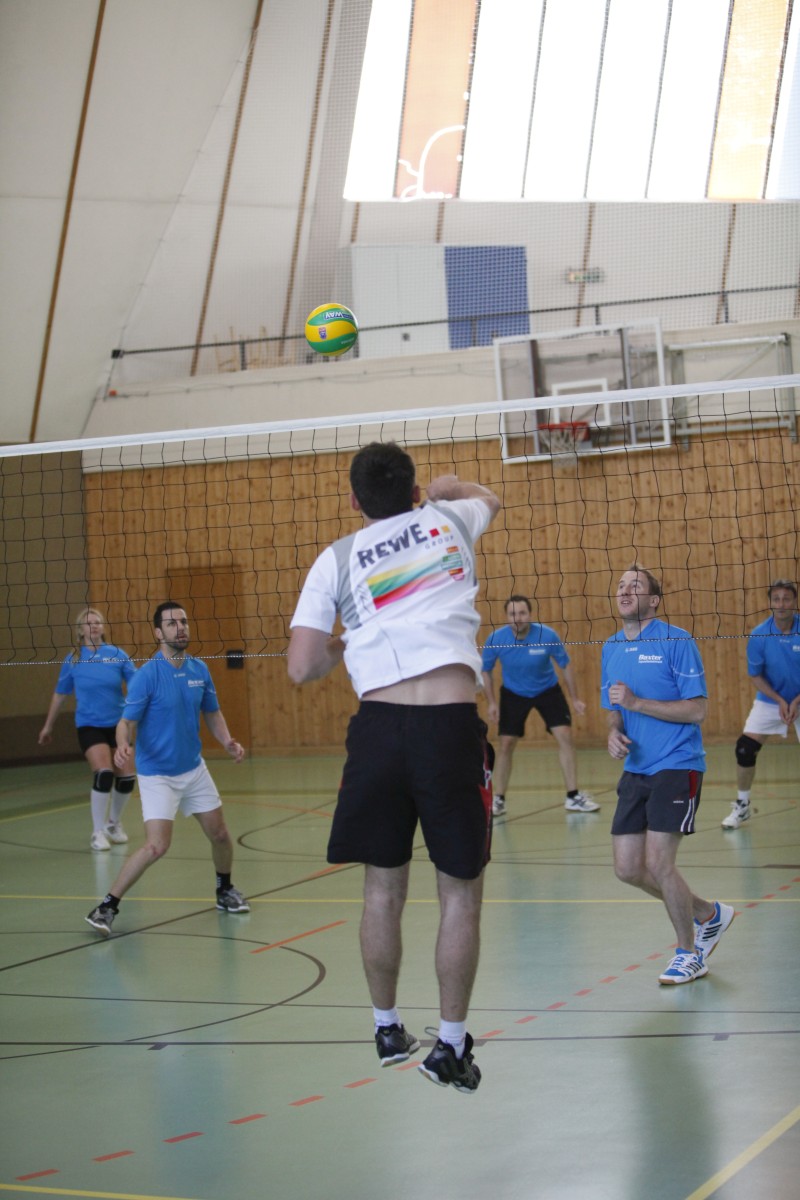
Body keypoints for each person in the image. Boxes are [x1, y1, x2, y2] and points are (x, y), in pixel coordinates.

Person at [288, 442, 500, 1092]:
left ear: (354, 500)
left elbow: (301, 667)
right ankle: (451, 1046)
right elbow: (489, 498)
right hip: (448, 728)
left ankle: (386, 1028)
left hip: (377, 732)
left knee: (382, 890)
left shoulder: (337, 558)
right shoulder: (450, 519)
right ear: (414, 493)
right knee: (459, 892)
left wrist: (343, 644)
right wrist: (450, 486)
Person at [602, 565, 734, 986]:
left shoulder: (677, 641)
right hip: (635, 768)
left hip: (678, 764)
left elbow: (697, 710)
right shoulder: (610, 647)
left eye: (635, 586)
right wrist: (613, 732)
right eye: (621, 585)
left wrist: (637, 704)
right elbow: (614, 708)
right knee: (627, 868)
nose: (625, 591)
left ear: (654, 600)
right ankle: (708, 913)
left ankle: (688, 954)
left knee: (659, 863)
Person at [85, 602, 249, 936]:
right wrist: (123, 744)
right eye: (172, 624)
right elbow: (125, 722)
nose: (181, 628)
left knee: (220, 834)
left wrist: (227, 740)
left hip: (193, 768)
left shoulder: (200, 669)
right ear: (158, 633)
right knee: (156, 846)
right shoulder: (147, 676)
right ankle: (106, 907)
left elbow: (212, 712)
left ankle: (224, 890)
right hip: (157, 774)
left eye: (184, 622)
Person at [481, 595, 599, 817]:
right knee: (506, 744)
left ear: (530, 615)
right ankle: (499, 799)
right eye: (513, 614)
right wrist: (492, 703)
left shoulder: (547, 635)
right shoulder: (496, 639)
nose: (518, 618)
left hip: (548, 690)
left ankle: (573, 796)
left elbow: (565, 665)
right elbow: (485, 670)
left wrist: (575, 698)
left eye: (522, 613)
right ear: (506, 616)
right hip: (513, 694)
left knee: (565, 736)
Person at [38, 607, 137, 850]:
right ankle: (97, 832)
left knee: (126, 778)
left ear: (103, 627)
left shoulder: (117, 655)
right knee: (104, 773)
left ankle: (113, 824)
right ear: (80, 630)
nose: (94, 626)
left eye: (97, 622)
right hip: (89, 725)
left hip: (118, 726)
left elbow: (137, 687)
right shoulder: (73, 660)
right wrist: (48, 726)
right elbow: (60, 695)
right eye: (88, 623)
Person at [723, 579, 800, 829]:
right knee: (744, 749)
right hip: (771, 700)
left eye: (786, 598)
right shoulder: (759, 635)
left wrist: (796, 701)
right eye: (776, 599)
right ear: (770, 603)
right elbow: (755, 675)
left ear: (794, 601)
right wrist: (780, 701)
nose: (781, 604)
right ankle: (742, 805)